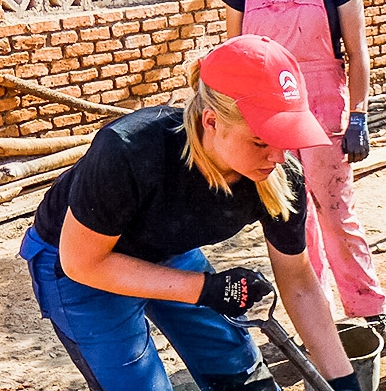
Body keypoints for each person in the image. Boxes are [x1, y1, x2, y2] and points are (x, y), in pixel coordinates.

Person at [18, 35, 363, 391]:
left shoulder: (280, 178)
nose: (277, 157)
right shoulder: (130, 151)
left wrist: (343, 381)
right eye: (260, 140)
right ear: (211, 121)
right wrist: (204, 289)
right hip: (78, 261)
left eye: (285, 136)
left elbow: (299, 282)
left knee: (238, 371)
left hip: (166, 248)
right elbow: (83, 263)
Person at [222, 0, 386, 343]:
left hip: (323, 106)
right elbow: (234, 55)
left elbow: (358, 54)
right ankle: (315, 313)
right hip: (267, 112)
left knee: (334, 209)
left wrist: (358, 116)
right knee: (289, 215)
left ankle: (368, 308)